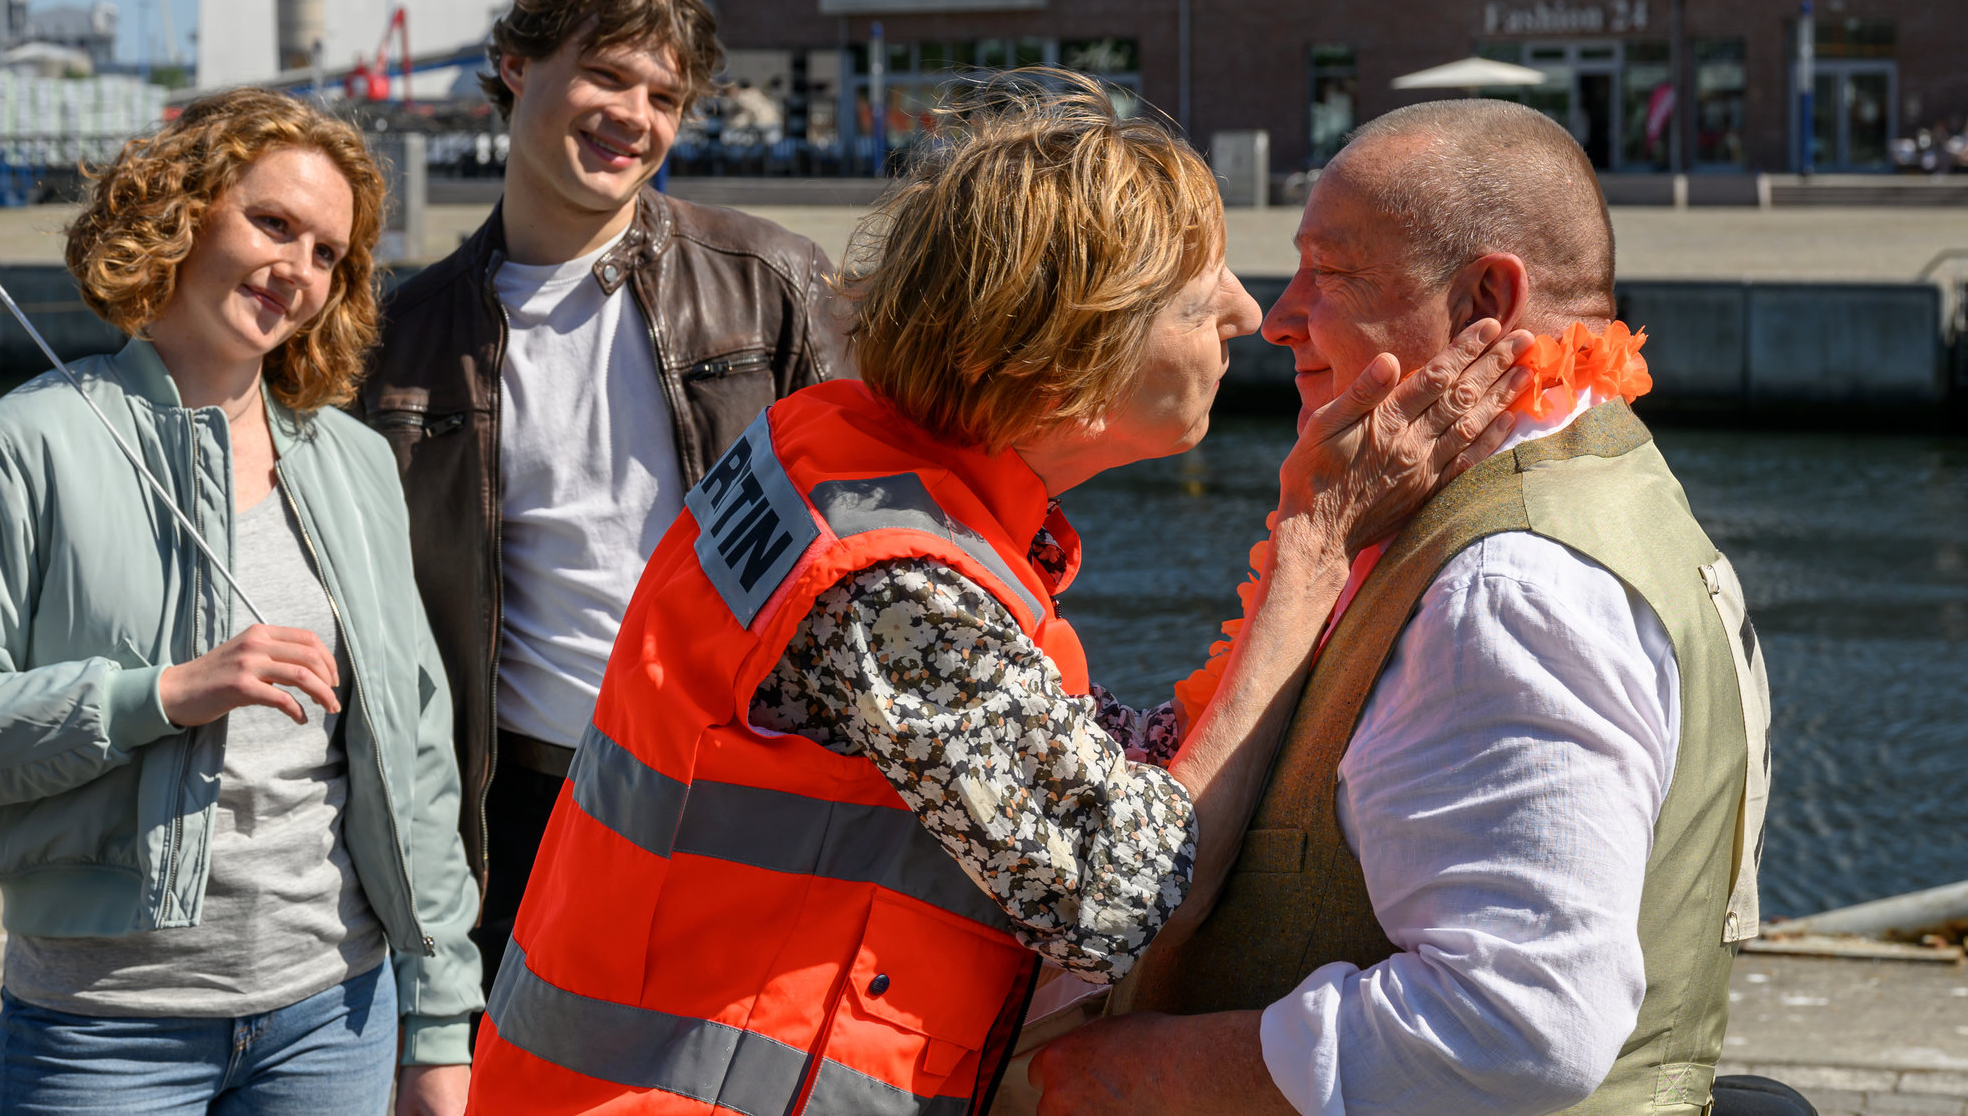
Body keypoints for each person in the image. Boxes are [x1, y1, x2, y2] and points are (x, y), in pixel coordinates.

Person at [467, 75, 1534, 1112]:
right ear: (1069, 349)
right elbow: (1120, 893)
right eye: (1196, 286)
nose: (1246, 314)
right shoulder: (887, 582)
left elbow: (1072, 762)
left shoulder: (833, 463)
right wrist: (1310, 554)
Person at [1032, 99, 1785, 1116]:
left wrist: (1141, 1073)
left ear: (1485, 298)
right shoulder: (1609, 488)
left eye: (1330, 273)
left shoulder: (1507, 590)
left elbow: (1518, 1023)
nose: (1277, 314)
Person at [0, 89, 480, 1115]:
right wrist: (162, 695)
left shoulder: (357, 463)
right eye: (272, 224)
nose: (297, 270)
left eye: (328, 253)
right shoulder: (21, 449)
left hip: (337, 1016)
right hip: (102, 1026)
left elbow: (413, 756)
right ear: (182, 213)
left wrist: (439, 1017)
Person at [353, 0, 846, 992]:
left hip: (739, 786)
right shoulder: (397, 339)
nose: (636, 116)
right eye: (607, 74)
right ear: (515, 66)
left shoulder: (774, 285)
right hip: (515, 807)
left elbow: (886, 534)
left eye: (664, 96)